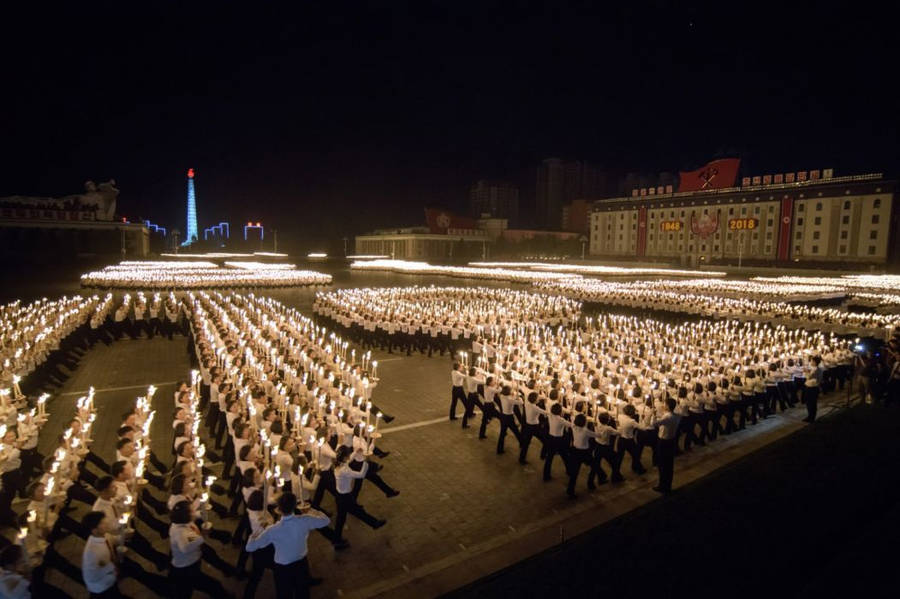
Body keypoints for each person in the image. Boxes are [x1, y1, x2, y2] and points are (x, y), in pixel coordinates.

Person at [245, 492, 330, 599]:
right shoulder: (304, 520)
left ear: (279, 509)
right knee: (302, 593)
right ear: (295, 505)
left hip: (283, 569)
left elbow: (250, 547)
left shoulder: (273, 530)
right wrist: (310, 510)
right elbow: (326, 520)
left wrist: (255, 533)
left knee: (284, 595)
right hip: (301, 564)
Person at [168, 501, 230, 599]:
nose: (194, 512)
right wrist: (203, 534)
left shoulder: (181, 522)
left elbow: (197, 515)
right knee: (213, 586)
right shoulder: (180, 533)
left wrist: (204, 509)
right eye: (192, 511)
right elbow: (185, 547)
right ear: (186, 515)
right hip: (186, 569)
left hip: (190, 565)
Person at [332, 446, 386, 550]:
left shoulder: (339, 465)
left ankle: (336, 540)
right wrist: (365, 461)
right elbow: (361, 475)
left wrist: (355, 452)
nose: (349, 456)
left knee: (341, 518)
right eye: (348, 454)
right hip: (346, 497)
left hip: (340, 496)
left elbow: (348, 461)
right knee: (358, 512)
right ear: (344, 457)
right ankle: (374, 523)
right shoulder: (344, 470)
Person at [81, 511, 124, 599]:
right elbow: (91, 577)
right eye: (102, 523)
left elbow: (114, 540)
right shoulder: (91, 553)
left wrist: (124, 536)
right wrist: (112, 571)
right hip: (102, 588)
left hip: (110, 578)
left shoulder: (104, 535)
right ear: (94, 530)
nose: (106, 523)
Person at [654, 397, 681, 494]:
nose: (663, 405)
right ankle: (667, 485)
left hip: (663, 442)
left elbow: (654, 423)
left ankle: (662, 486)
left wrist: (653, 415)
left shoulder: (667, 417)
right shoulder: (676, 415)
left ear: (668, 406)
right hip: (671, 441)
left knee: (662, 464)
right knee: (669, 465)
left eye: (665, 404)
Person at [803, 355, 824, 423]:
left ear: (815, 362)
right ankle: (809, 416)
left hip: (813, 388)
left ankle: (812, 417)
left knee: (812, 403)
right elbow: (807, 377)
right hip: (807, 387)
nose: (811, 362)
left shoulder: (819, 370)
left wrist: (809, 375)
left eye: (812, 361)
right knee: (808, 403)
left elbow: (818, 380)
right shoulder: (811, 369)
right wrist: (806, 372)